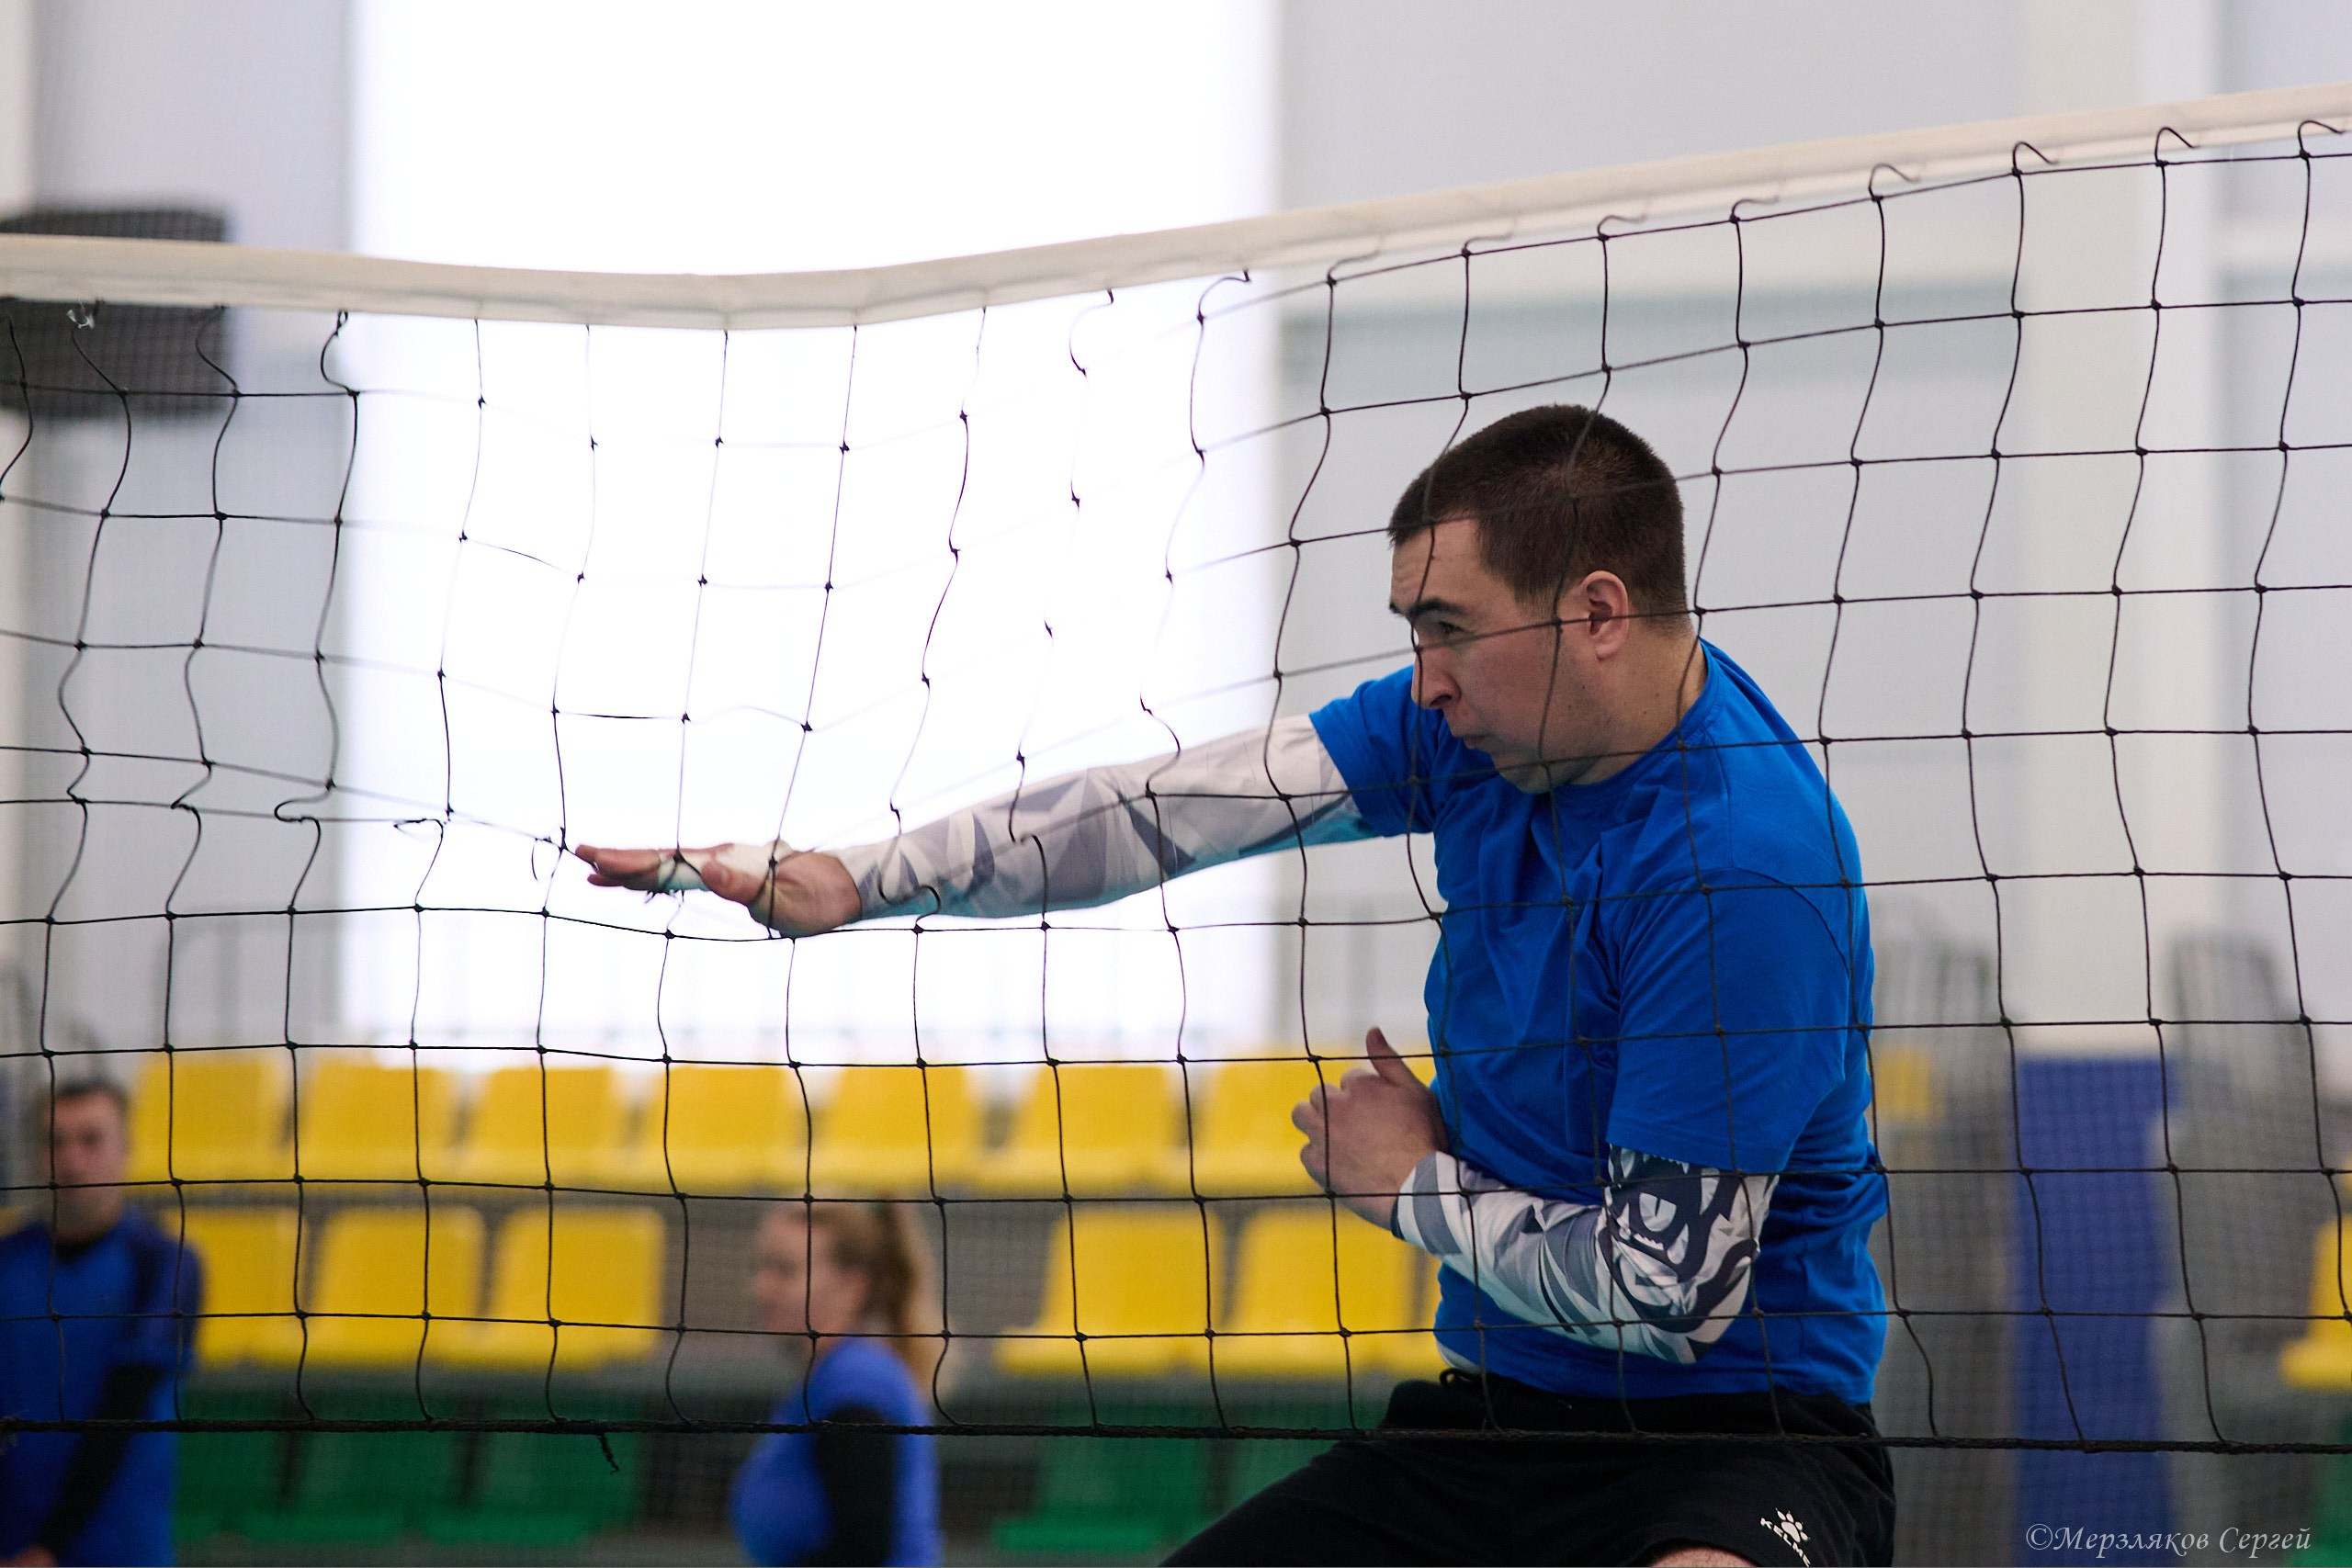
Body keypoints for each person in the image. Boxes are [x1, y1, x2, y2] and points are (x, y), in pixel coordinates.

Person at [578, 404, 1894, 1567]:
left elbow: (1668, 1299)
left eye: (1450, 631)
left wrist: (1410, 1186)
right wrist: (861, 878)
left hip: (1739, 1437)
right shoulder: (1473, 735)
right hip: (1500, 1417)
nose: (1422, 675)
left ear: (1597, 613)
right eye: (1412, 634)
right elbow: (1165, 813)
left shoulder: (1741, 867)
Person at [0, 1077, 201, 1567]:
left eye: (91, 1139)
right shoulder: (7, 1260)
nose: (71, 1161)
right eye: (55, 1141)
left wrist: (48, 1548)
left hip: (120, 1547)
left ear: (125, 1148)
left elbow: (122, 1410)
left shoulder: (165, 1264)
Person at [729, 1201, 944, 1567]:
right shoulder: (829, 1379)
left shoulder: (855, 1383)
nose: (760, 1287)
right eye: (761, 1267)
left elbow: (863, 1550)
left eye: (785, 1270)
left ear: (851, 1286)